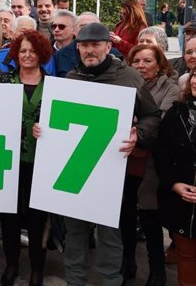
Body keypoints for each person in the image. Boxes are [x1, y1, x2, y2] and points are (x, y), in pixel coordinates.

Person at [50, 22, 161, 286]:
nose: (89, 51)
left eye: (95, 45)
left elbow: (152, 115)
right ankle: (74, 281)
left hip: (110, 170)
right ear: (78, 48)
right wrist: (45, 129)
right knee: (74, 231)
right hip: (75, 170)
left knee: (110, 233)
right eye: (84, 46)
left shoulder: (130, 78)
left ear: (108, 46)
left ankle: (111, 280)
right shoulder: (71, 79)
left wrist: (139, 134)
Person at [0, 30, 53, 286]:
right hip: (8, 161)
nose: (27, 55)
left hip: (41, 163)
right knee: (9, 216)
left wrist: (49, 130)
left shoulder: (54, 86)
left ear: (41, 54)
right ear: (15, 54)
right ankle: (11, 264)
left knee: (36, 218)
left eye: (32, 50)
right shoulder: (4, 81)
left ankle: (37, 269)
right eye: (22, 51)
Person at [128, 43, 179, 285]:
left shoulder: (169, 88)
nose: (141, 65)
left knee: (150, 219)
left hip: (153, 163)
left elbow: (162, 120)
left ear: (159, 64)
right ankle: (128, 263)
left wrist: (138, 122)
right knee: (125, 216)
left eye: (147, 61)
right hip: (126, 160)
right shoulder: (126, 84)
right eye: (136, 61)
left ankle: (156, 270)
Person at [154, 71, 196, 285]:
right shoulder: (176, 113)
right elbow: (162, 153)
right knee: (186, 257)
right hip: (182, 204)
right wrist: (174, 184)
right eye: (195, 75)